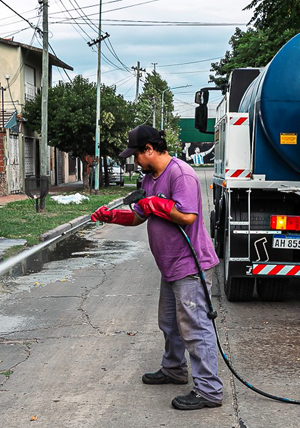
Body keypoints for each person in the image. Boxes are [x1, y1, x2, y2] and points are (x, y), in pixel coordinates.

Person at [91, 125, 223, 410]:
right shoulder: (149, 178)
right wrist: (111, 216)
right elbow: (139, 216)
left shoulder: (181, 174)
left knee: (196, 328)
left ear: (149, 149)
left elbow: (187, 216)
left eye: (136, 154)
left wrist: (154, 203)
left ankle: (209, 390)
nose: (134, 161)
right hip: (170, 267)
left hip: (190, 265)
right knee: (170, 324)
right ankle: (174, 369)